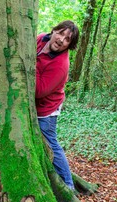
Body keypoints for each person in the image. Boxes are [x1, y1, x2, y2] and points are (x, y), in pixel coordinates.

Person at [35, 20, 79, 191]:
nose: (61, 40)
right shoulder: (40, 39)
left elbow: (39, 91)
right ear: (53, 31)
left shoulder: (61, 64)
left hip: (47, 109)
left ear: (69, 45)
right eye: (60, 33)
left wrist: (33, 63)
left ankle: (68, 185)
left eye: (67, 39)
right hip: (35, 106)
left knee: (51, 142)